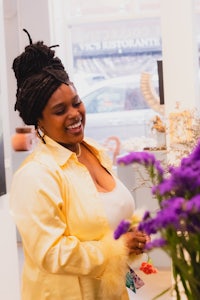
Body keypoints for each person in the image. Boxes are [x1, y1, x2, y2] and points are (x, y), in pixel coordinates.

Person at [9, 29, 148, 300]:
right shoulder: (36, 176)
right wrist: (118, 247)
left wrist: (133, 241)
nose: (74, 114)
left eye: (76, 103)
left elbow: (108, 223)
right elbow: (51, 253)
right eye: (60, 111)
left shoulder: (94, 151)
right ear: (39, 120)